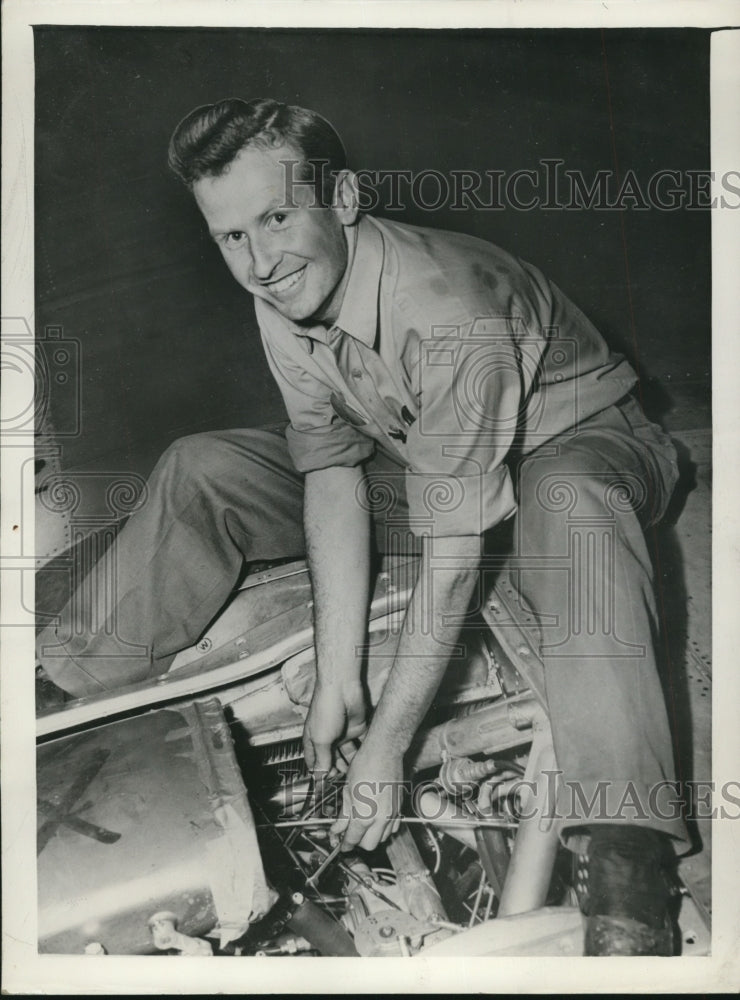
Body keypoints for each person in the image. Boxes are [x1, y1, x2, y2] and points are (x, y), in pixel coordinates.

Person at [37, 98, 689, 955]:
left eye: (277, 219)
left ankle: (629, 863)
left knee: (568, 513)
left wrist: (386, 745)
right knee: (208, 465)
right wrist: (339, 681)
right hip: (423, 459)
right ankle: (57, 693)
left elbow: (455, 564)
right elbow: (335, 474)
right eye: (232, 237)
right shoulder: (284, 295)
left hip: (580, 448)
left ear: (341, 199)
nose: (261, 262)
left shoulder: (451, 311)